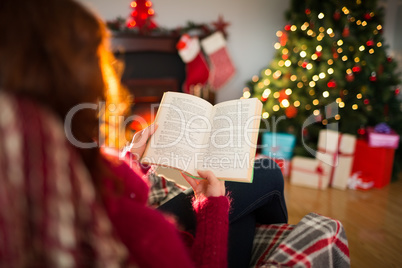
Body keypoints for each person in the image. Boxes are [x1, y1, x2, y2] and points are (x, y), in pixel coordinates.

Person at [0, 0, 287, 267]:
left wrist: (132, 159)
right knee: (266, 171)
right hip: (176, 243)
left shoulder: (25, 155)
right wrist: (211, 208)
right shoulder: (145, 236)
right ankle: (278, 240)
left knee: (252, 196)